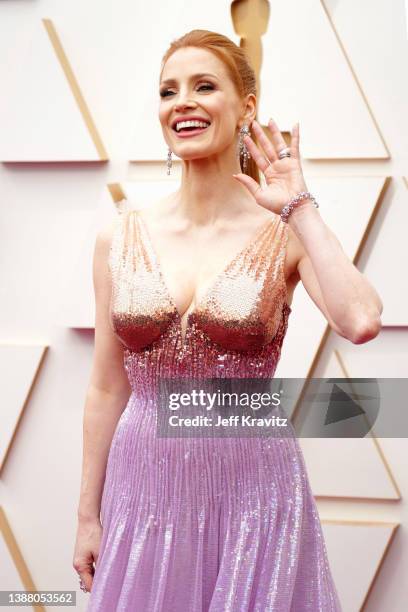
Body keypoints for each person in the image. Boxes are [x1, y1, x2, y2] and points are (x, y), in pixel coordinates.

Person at [73, 29, 382, 611]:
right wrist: (87, 514)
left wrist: (300, 205)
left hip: (255, 495)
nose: (181, 102)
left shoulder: (283, 231)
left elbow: (361, 319)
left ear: (248, 107)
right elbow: (107, 385)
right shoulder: (119, 235)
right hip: (144, 490)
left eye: (203, 86)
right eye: (168, 92)